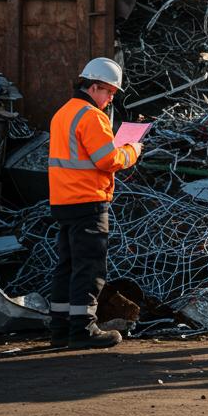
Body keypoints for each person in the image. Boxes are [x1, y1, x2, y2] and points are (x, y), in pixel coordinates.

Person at [46, 57, 142, 349]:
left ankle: (60, 329)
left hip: (64, 201)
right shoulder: (91, 116)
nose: (111, 98)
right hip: (88, 202)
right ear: (96, 86)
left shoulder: (63, 113)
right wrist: (132, 150)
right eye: (110, 92)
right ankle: (83, 329)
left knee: (67, 266)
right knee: (89, 268)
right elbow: (107, 159)